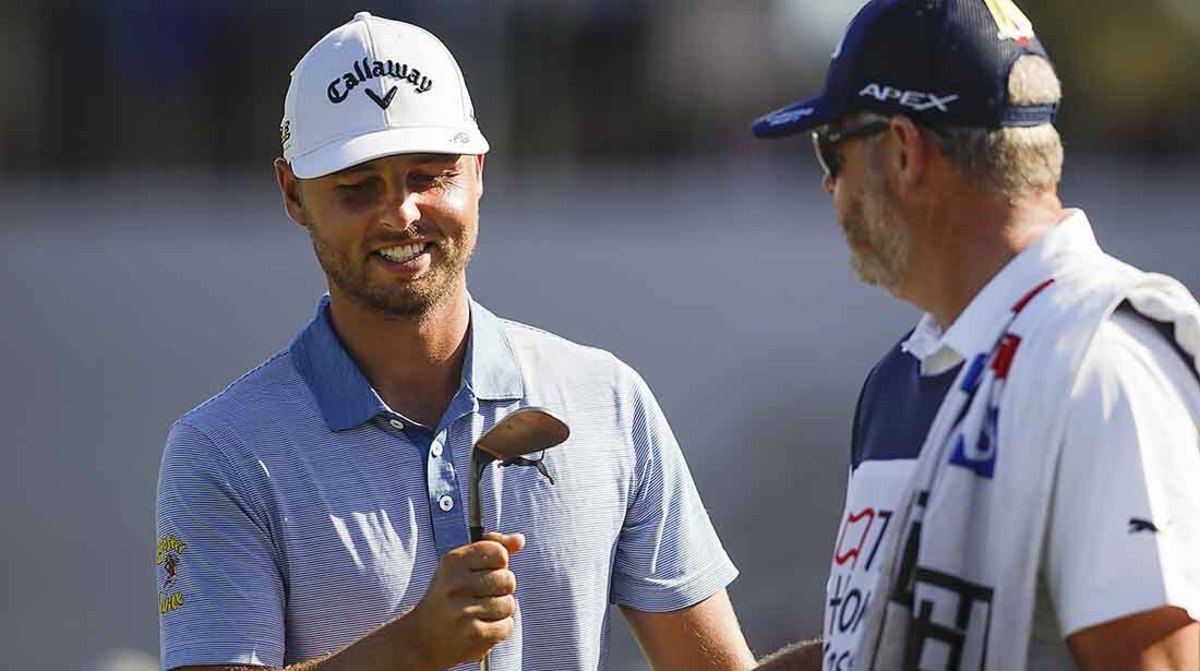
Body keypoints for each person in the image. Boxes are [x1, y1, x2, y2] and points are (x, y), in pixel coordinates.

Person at [154, 12, 756, 671]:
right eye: (357, 187)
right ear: (294, 194)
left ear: (477, 171)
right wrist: (412, 648)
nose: (401, 213)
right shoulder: (224, 450)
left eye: (430, 175)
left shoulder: (607, 399)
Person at [747, 1, 1200, 669]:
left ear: (904, 151)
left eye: (832, 148)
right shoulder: (900, 377)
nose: (827, 186)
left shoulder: (1097, 363)